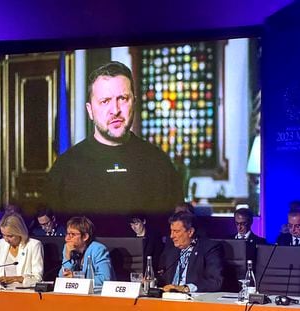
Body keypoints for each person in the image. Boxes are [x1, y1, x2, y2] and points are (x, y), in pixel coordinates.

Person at [45, 61, 183, 214]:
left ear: (134, 102)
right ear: (90, 110)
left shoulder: (160, 162)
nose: (115, 110)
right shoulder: (64, 168)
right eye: (105, 101)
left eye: (122, 99)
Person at [157, 211, 223, 293]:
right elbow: (164, 278)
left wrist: (186, 288)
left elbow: (215, 281)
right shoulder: (171, 250)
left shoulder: (209, 248)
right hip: (169, 299)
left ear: (190, 232)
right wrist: (152, 281)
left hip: (194, 301)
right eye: (171, 231)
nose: (172, 236)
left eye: (176, 231)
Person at [0, 213, 44, 286]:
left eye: (10, 236)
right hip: (2, 290)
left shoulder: (34, 245)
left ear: (20, 232)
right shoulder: (1, 243)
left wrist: (14, 279)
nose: (6, 240)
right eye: (3, 235)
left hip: (24, 292)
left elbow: (38, 278)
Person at [59, 216, 115, 287]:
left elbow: (105, 279)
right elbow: (61, 277)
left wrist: (76, 278)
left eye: (72, 234)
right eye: (67, 234)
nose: (67, 238)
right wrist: (68, 259)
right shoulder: (68, 248)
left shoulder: (98, 250)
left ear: (85, 236)